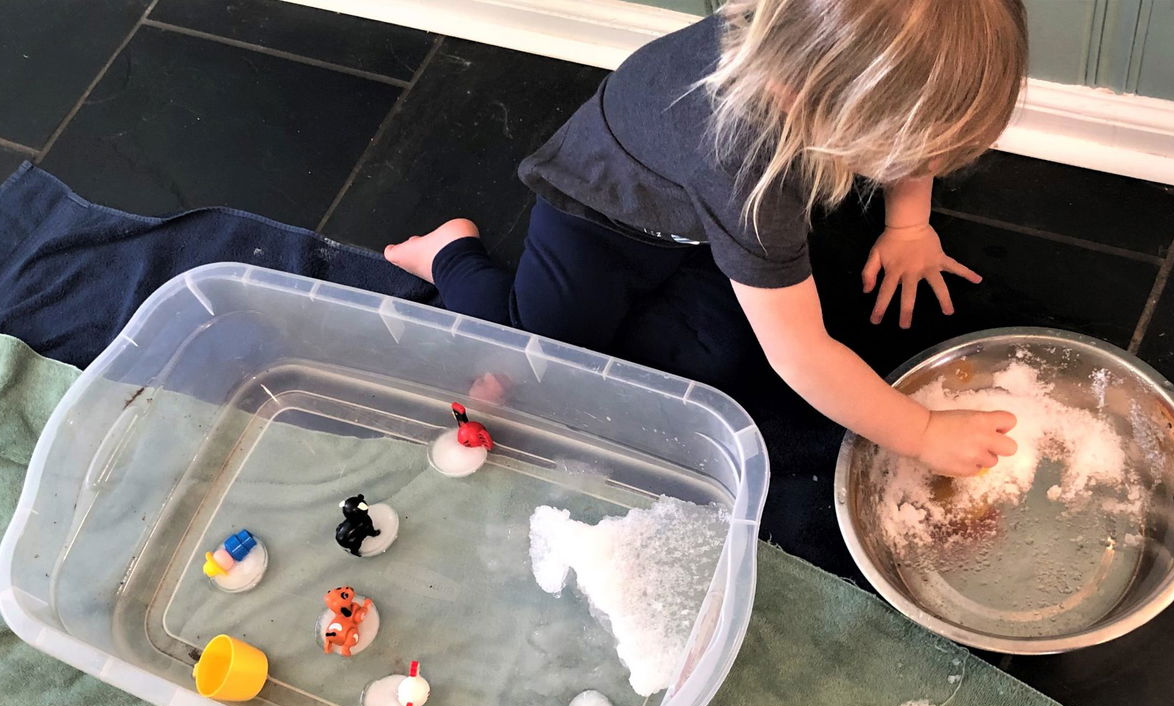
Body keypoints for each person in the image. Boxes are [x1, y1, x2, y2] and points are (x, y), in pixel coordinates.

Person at [385, 0, 1027, 476]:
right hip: (597, 212)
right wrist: (919, 432)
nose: (920, 172)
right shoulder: (751, 174)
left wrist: (908, 224)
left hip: (689, 221)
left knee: (715, 360)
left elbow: (912, 130)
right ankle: (448, 252)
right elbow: (802, 355)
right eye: (898, 159)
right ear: (800, 97)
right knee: (544, 354)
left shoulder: (801, 29)